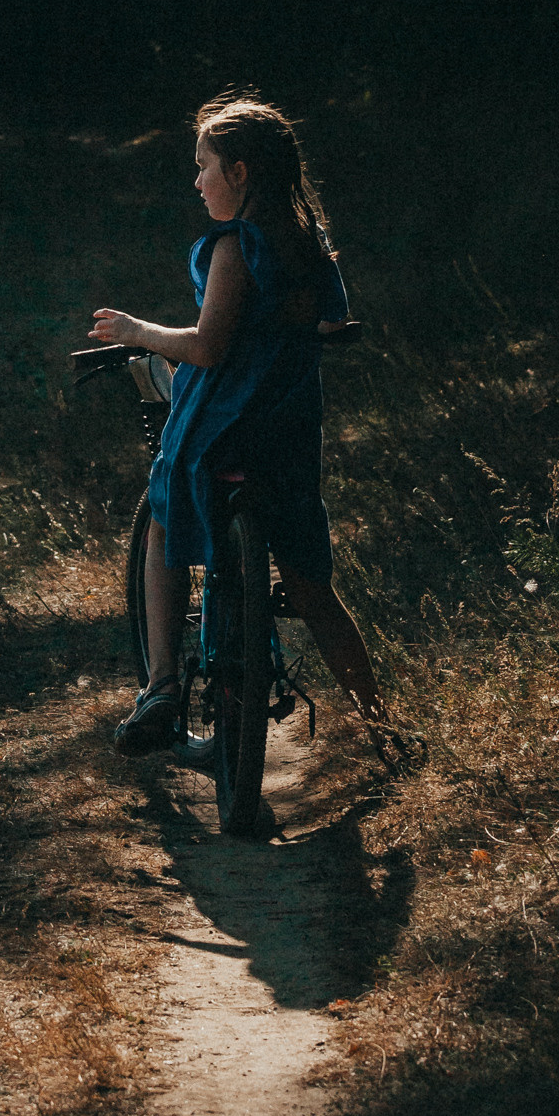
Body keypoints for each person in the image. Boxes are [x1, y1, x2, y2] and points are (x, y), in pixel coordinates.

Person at [89, 91, 394, 755]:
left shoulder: (235, 247)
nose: (196, 181)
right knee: (313, 587)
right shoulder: (307, 245)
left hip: (228, 418)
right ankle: (386, 728)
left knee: (166, 510)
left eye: (204, 166)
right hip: (287, 427)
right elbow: (321, 325)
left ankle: (163, 686)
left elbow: (206, 348)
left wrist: (139, 330)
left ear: (240, 173)